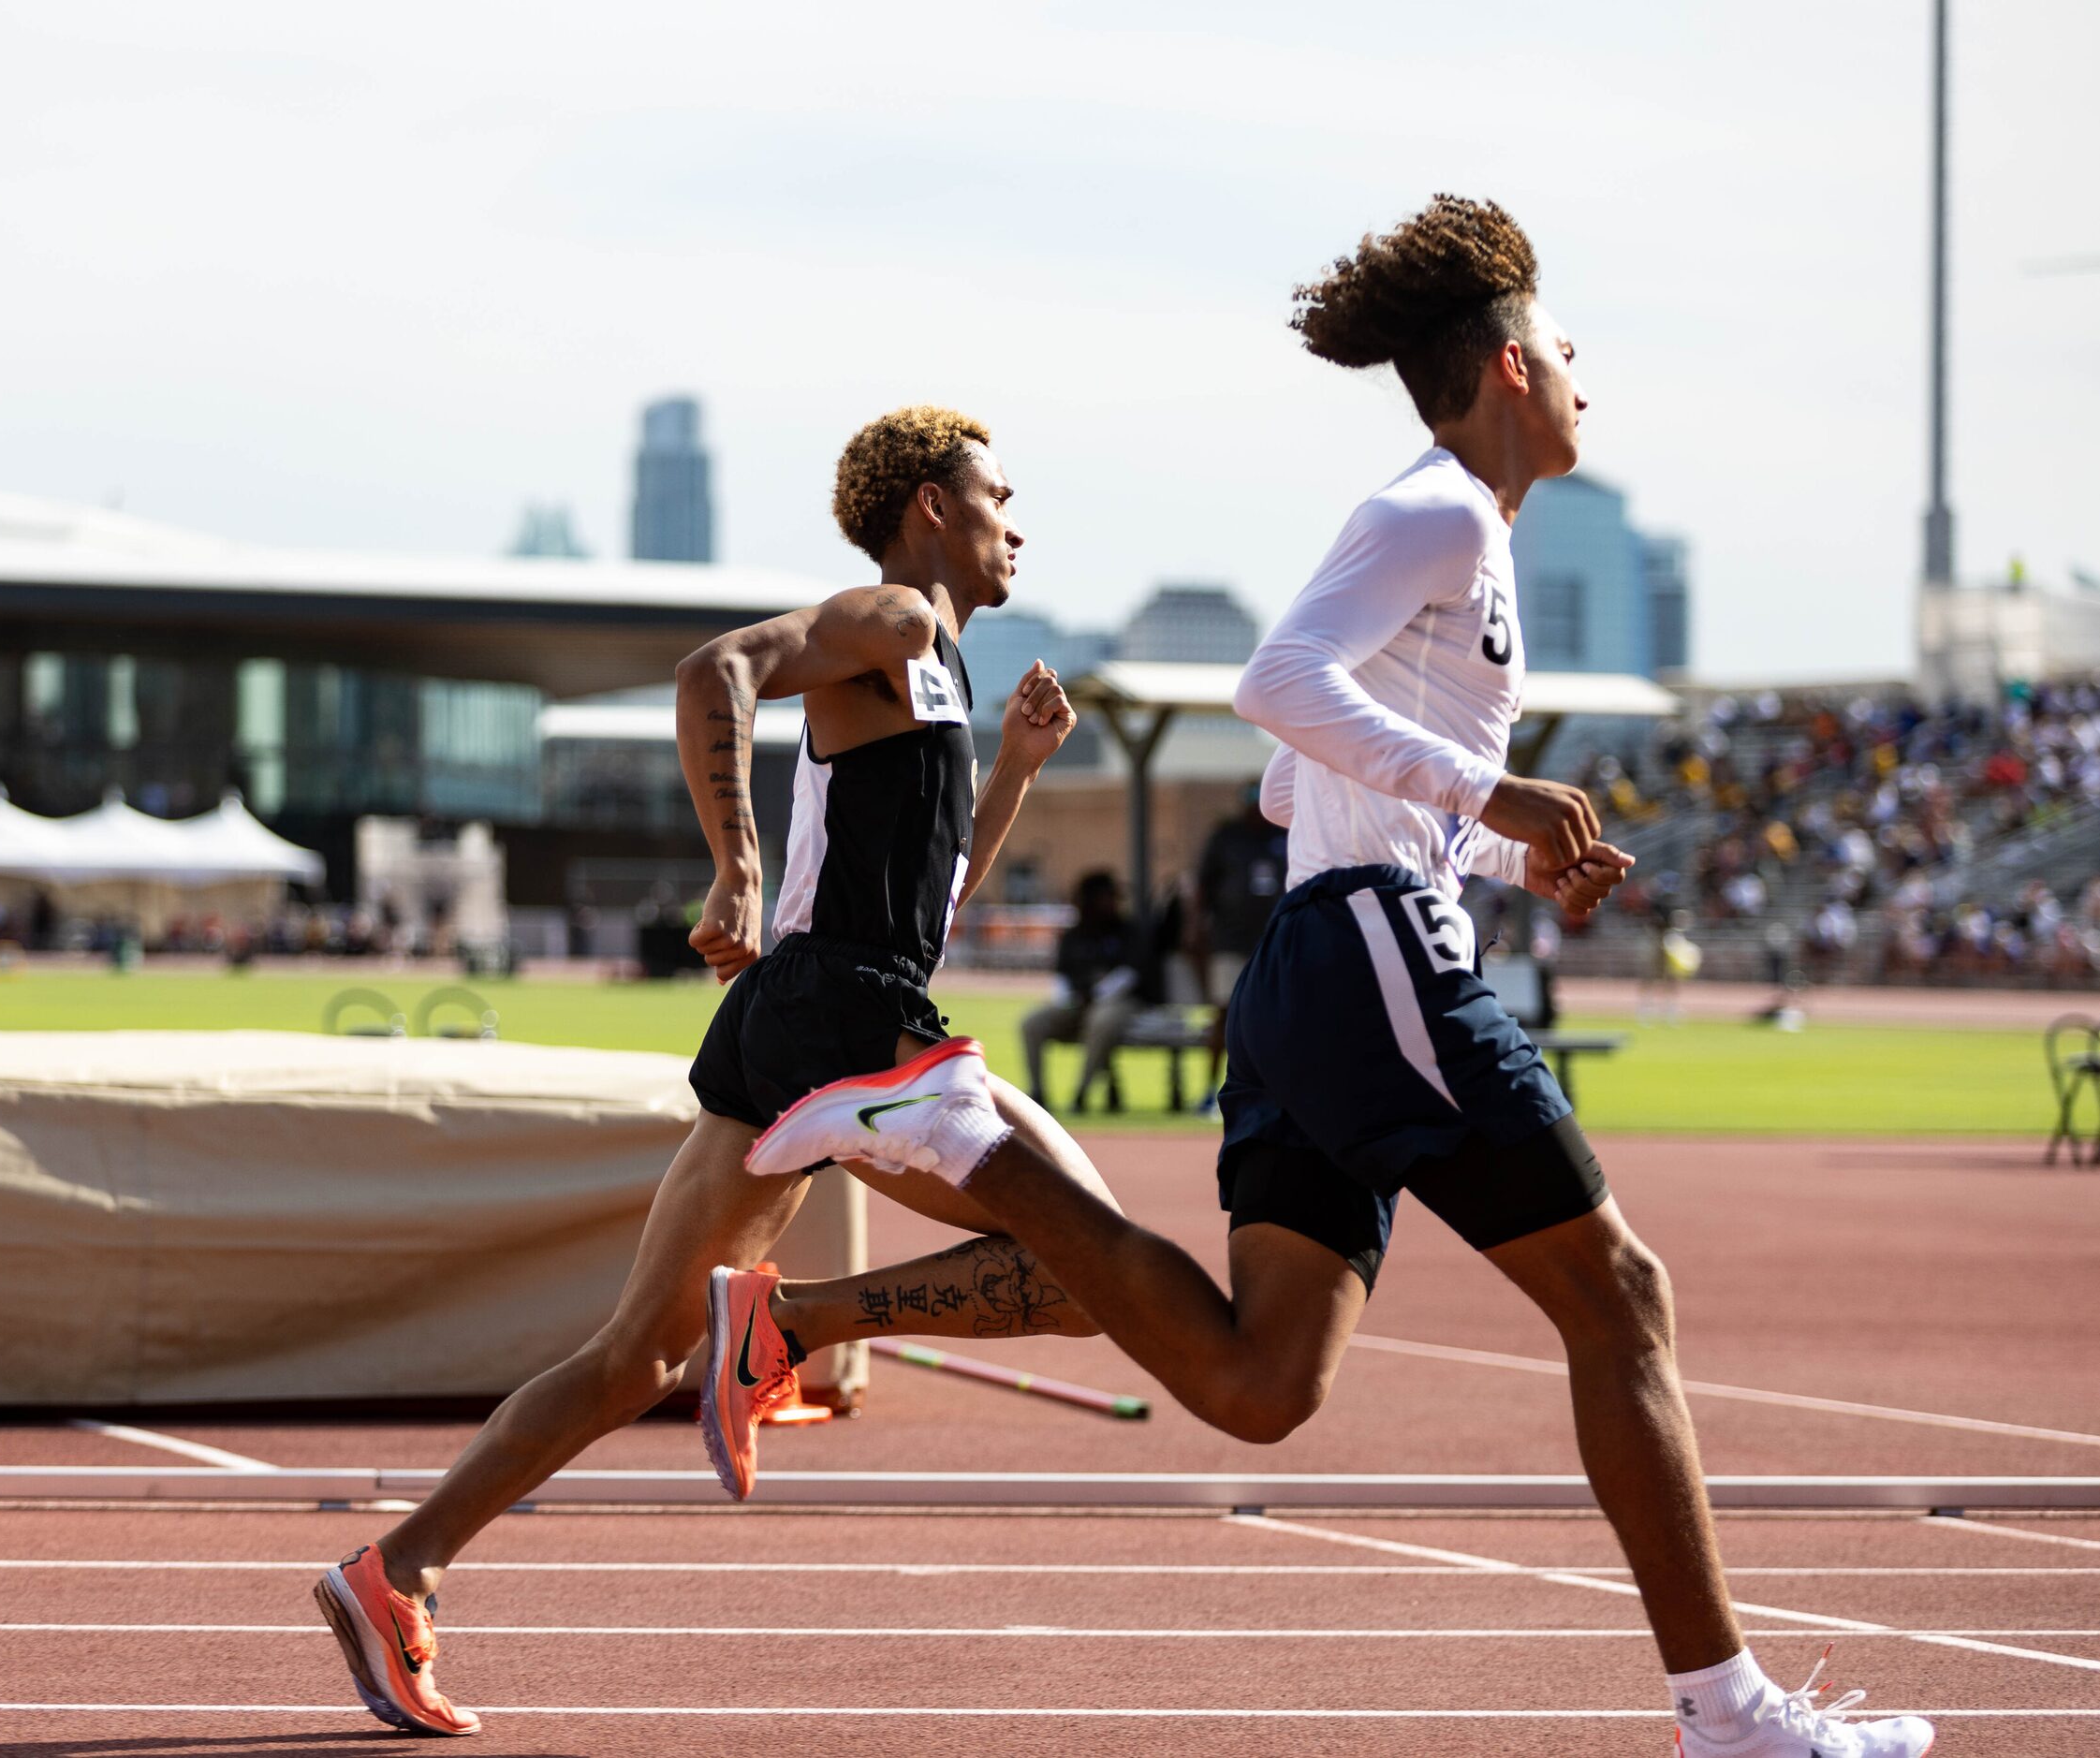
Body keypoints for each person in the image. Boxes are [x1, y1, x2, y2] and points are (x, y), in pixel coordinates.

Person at [748, 198, 1931, 1757]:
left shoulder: (1467, 542)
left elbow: (1299, 790)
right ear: (1509, 365)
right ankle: (1733, 1718)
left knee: (1259, 1382)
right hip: (1371, 949)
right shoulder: (1435, 511)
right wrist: (1488, 797)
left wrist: (1511, 854)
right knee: (1620, 1295)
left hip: (1332, 955)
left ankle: (976, 1153)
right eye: (1571, 353)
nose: (1588, 380)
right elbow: (1271, 687)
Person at [313, 405, 1125, 1736]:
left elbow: (926, 899)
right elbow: (717, 671)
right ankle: (792, 1320)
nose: (1015, 520)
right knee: (1098, 1268)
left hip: (804, 1015)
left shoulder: (939, 675)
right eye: (997, 493)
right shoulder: (894, 619)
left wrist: (1019, 773)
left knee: (633, 1354)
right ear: (930, 505)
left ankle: (394, 1566)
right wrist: (734, 864)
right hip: (846, 1018)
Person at [1185, 784, 1287, 1114]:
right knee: (1225, 1015)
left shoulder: (1285, 834)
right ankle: (1209, 1090)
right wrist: (1197, 928)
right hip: (1230, 941)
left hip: (1274, 941)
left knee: (1275, 1015)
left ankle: (1273, 1088)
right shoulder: (1227, 837)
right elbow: (1203, 886)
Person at [1018, 869, 1146, 1112]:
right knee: (1032, 1023)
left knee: (1100, 1021)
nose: (1111, 903)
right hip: (1076, 1002)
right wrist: (1071, 999)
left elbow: (1131, 974)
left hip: (1120, 1003)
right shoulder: (1074, 935)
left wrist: (1096, 995)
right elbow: (1062, 976)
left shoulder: (1128, 932)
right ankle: (1038, 1093)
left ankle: (1081, 1095)